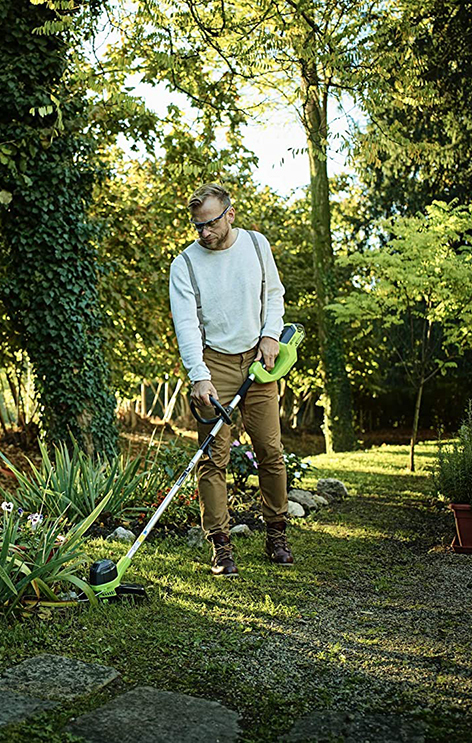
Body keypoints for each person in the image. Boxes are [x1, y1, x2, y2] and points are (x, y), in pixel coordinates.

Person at [169, 183, 293, 576]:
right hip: (214, 366)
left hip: (259, 361)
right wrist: (199, 377)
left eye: (210, 224)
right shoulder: (184, 265)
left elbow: (274, 295)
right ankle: (221, 546)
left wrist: (271, 335)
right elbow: (186, 325)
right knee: (212, 458)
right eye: (197, 226)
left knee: (270, 451)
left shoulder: (257, 246)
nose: (203, 233)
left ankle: (276, 534)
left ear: (230, 214)